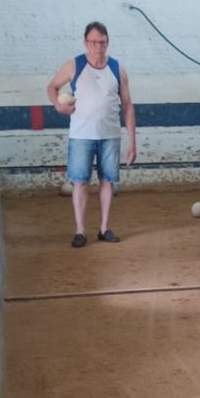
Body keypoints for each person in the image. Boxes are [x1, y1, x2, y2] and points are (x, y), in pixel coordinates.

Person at [47, 21, 137, 248]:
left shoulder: (117, 69)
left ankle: (104, 228)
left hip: (110, 136)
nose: (98, 46)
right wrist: (59, 107)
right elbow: (52, 87)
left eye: (103, 42)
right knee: (80, 183)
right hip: (81, 136)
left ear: (108, 43)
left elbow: (127, 106)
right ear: (86, 43)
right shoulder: (74, 66)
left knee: (107, 182)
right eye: (94, 42)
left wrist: (132, 141)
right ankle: (80, 231)